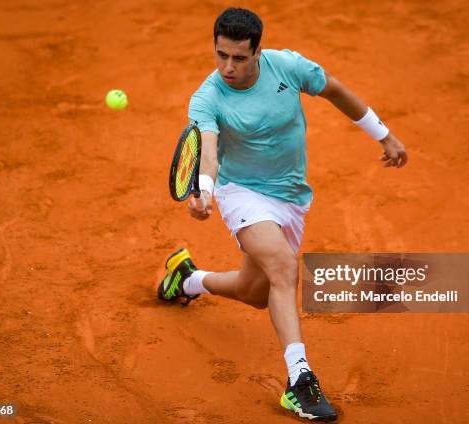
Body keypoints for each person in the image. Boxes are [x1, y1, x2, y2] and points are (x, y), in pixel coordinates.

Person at [157, 7, 407, 422]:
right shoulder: (207, 97)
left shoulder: (288, 67)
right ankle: (300, 382)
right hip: (242, 194)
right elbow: (210, 151)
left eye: (239, 57)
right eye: (221, 55)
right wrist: (204, 192)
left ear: (258, 51)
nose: (228, 67)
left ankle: (188, 279)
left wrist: (385, 136)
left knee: (257, 292)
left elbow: (336, 90)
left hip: (291, 197)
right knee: (284, 265)